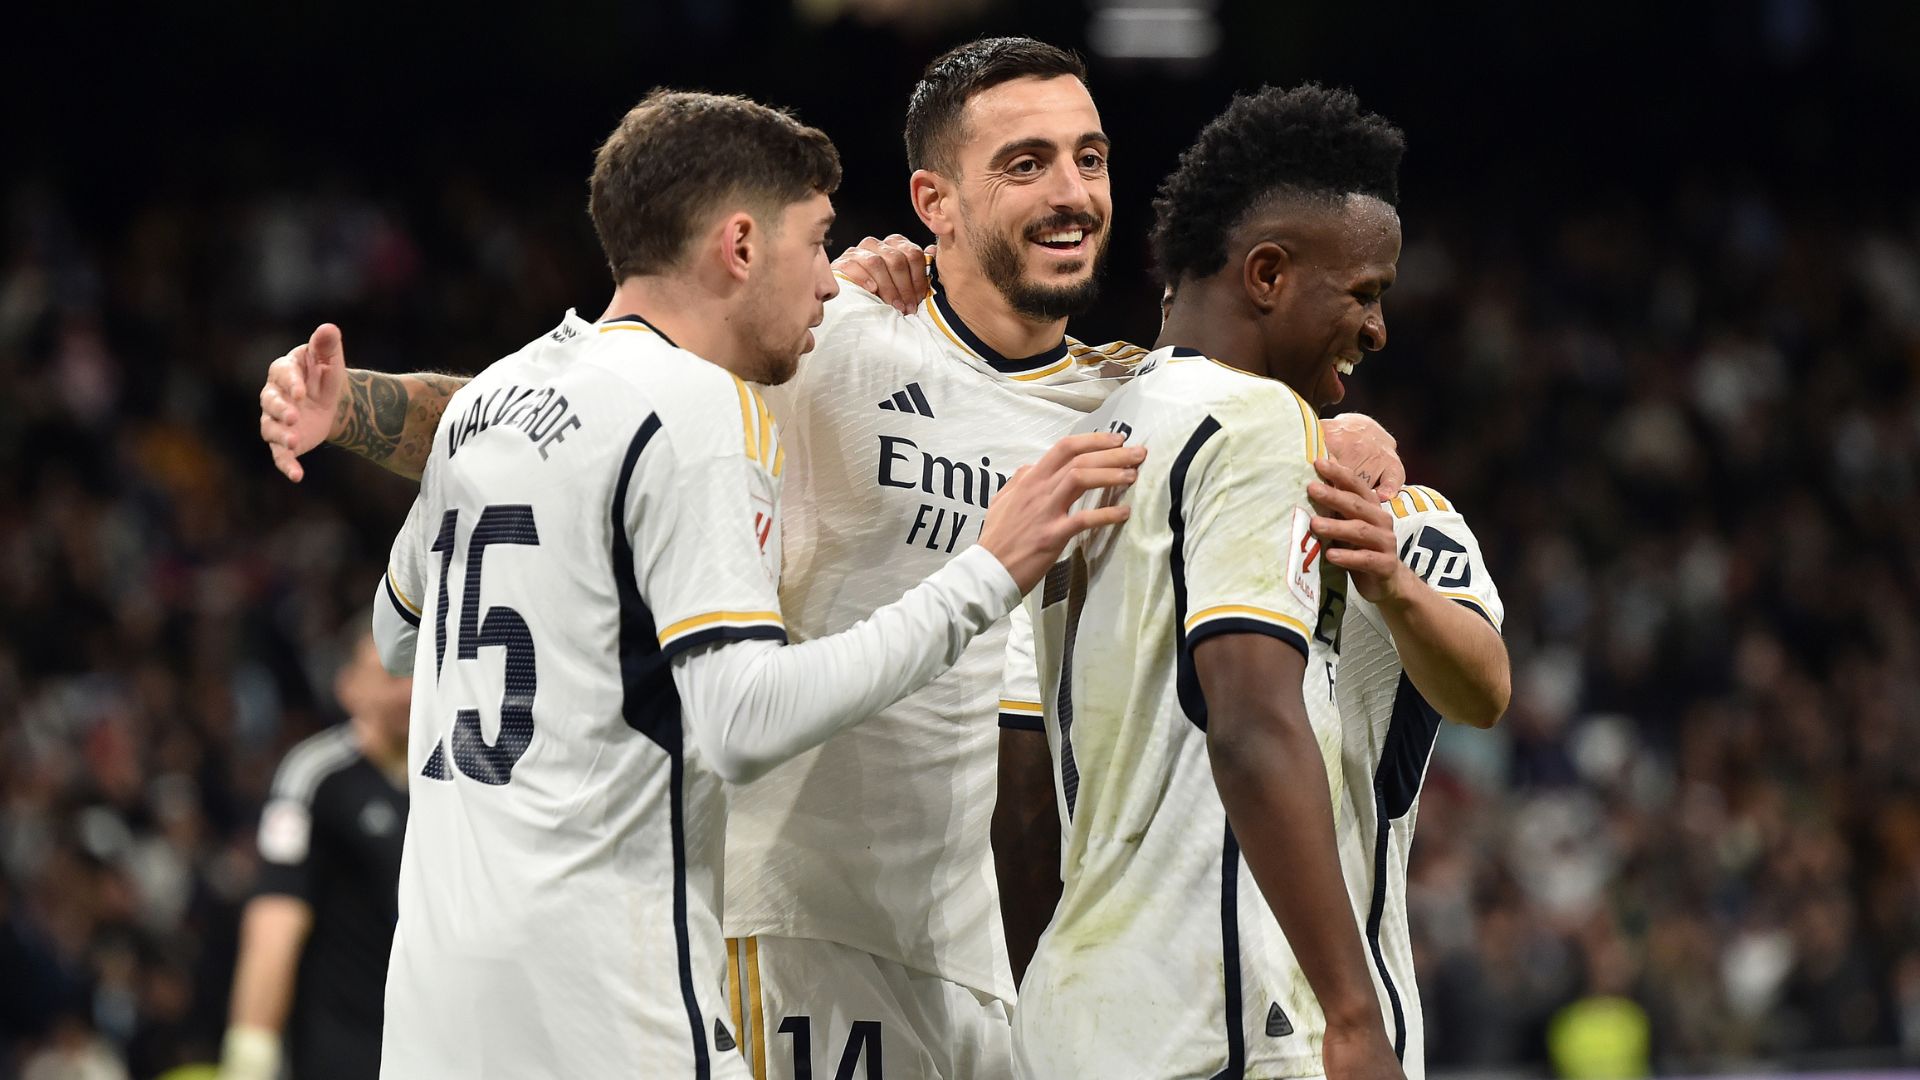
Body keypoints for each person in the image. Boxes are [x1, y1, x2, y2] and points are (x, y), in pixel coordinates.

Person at [254, 39, 1397, 1078]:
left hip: (1011, 954)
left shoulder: (1137, 405)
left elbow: (1280, 432)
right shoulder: (825, 333)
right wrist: (351, 404)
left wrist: (1349, 437)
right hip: (807, 929)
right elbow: (576, 419)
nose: (1071, 191)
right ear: (934, 203)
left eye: (1089, 158)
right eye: (1027, 163)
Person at [362, 88, 1136, 1079]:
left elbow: (398, 636)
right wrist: (986, 573)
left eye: (1091, 156)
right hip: (647, 976)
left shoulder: (512, 392)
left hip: (445, 982)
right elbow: (742, 719)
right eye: (817, 244)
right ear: (741, 245)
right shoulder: (714, 400)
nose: (830, 277)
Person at [1016, 84, 1504, 1080]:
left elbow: (1023, 776)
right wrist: (1352, 1012)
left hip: (1077, 1011)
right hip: (1224, 1018)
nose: (1378, 328)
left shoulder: (1083, 445)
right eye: (1364, 292)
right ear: (1268, 275)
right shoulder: (1260, 426)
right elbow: (1248, 722)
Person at [219, 622, 411, 1080]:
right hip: (345, 1054)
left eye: (415, 674)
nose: (407, 692)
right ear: (349, 688)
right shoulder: (316, 776)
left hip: (436, 1048)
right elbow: (275, 924)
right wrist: (250, 1056)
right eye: (389, 676)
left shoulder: (463, 775)